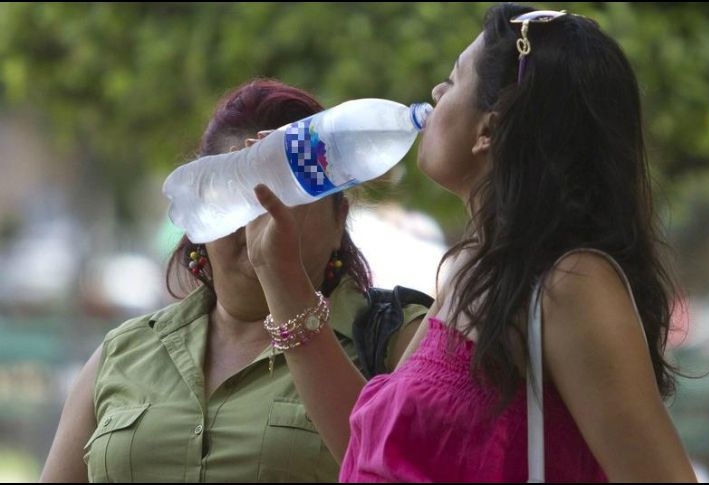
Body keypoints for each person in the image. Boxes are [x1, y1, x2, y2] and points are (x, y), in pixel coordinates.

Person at [250, 4, 698, 482]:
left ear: (491, 126)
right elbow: (373, 452)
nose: (436, 93)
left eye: (452, 79)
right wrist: (278, 272)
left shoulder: (571, 285)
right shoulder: (469, 271)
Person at [39, 79, 430, 483]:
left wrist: (283, 278)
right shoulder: (124, 352)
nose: (261, 212)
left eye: (288, 192)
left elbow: (405, 467)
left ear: (339, 219)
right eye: (235, 190)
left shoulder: (399, 341)